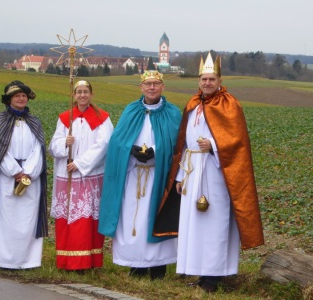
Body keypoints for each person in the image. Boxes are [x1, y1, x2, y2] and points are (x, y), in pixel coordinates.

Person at [153, 52, 264, 292]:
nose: (207, 83)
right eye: (204, 79)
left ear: (220, 80)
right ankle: (201, 272)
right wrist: (180, 177)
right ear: (198, 81)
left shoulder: (229, 104)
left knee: (215, 223)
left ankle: (214, 276)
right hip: (192, 170)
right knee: (195, 224)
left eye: (212, 79)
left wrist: (213, 146)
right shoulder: (193, 104)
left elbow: (237, 142)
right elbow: (183, 143)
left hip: (216, 173)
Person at [98, 71, 182, 280]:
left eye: (156, 84)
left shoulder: (172, 113)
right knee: (132, 220)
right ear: (141, 87)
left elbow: (177, 144)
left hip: (158, 176)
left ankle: (158, 268)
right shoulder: (131, 110)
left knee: (153, 218)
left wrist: (155, 150)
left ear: (162, 87)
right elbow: (118, 142)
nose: (152, 87)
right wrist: (130, 150)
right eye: (148, 84)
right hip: (133, 175)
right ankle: (136, 266)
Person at [0, 80, 48, 269]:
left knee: (27, 220)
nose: (21, 98)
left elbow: (38, 150)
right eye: (17, 96)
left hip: (30, 179)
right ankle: (0, 259)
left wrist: (29, 173)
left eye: (24, 95)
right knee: (5, 219)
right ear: (9, 100)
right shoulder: (0, 121)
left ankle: (26, 260)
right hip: (6, 177)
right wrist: (15, 172)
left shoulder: (35, 122)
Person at [49, 80, 113, 271]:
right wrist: (63, 143)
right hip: (67, 176)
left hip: (89, 174)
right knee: (69, 218)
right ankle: (68, 260)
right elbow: (52, 146)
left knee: (87, 220)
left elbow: (104, 145)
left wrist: (80, 163)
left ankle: (88, 261)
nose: (83, 95)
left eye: (86, 92)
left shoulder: (102, 118)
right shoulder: (65, 118)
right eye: (79, 92)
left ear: (91, 95)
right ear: (74, 95)